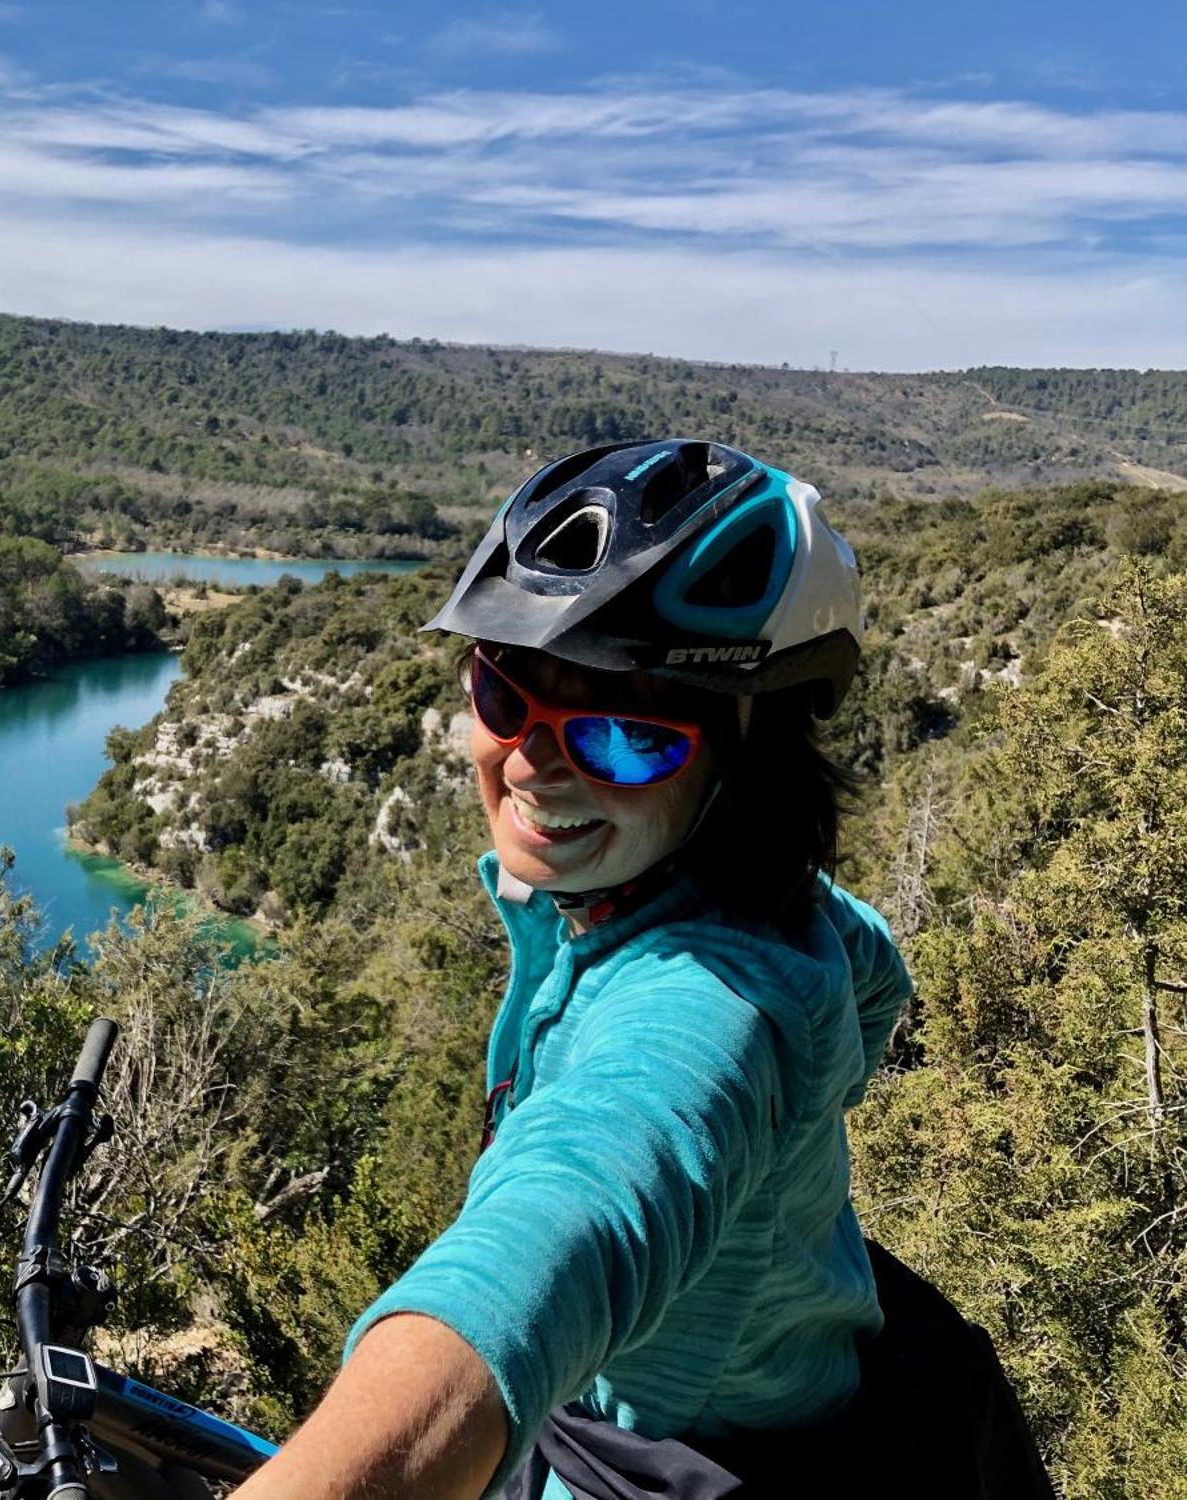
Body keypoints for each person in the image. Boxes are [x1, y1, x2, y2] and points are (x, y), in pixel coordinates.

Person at [229, 440, 1051, 1500]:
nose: (529, 760)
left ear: (743, 765)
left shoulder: (714, 1011)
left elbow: (562, 1226)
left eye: (621, 736)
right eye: (502, 693)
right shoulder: (748, 901)